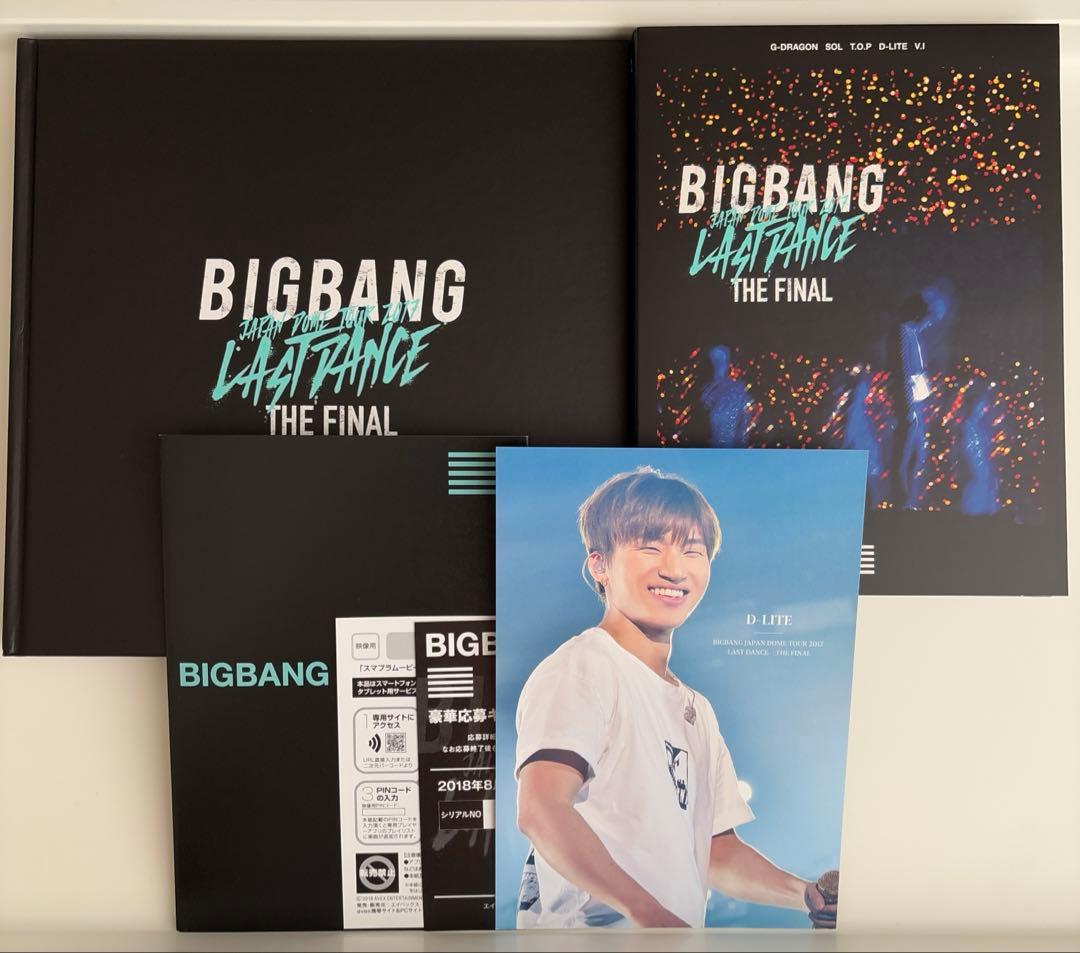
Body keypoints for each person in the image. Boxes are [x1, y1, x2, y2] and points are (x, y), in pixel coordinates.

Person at [513, 467, 836, 929]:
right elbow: (542, 808)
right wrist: (651, 917)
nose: (674, 568)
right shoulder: (583, 666)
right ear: (599, 565)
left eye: (692, 550)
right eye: (650, 546)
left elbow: (714, 851)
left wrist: (804, 894)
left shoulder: (697, 710)